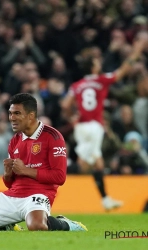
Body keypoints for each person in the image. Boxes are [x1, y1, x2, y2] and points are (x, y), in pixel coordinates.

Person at [0, 93, 87, 232]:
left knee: (37, 226)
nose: (12, 118)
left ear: (31, 116)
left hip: (39, 195)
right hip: (13, 196)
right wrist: (7, 174)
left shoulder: (53, 136)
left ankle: (66, 224)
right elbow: (10, 184)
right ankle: (7, 226)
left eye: (17, 113)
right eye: (10, 113)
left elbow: (60, 177)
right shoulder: (14, 140)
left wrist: (25, 170)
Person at [61, 34, 148, 211]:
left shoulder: (77, 85)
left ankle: (105, 199)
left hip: (82, 127)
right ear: (93, 67)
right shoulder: (101, 80)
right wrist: (138, 49)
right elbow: (123, 70)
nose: (100, 65)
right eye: (97, 63)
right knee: (85, 166)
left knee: (98, 163)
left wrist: (72, 118)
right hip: (93, 126)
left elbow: (65, 104)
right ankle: (46, 183)